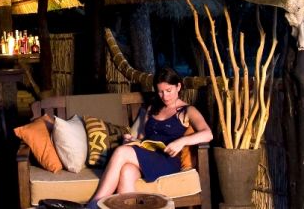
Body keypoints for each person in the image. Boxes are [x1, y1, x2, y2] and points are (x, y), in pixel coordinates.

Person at [86, 67, 213, 208]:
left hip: (167, 159)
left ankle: (94, 204)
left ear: (178, 86)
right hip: (147, 155)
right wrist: (131, 141)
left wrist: (182, 141)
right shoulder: (153, 108)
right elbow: (142, 138)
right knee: (126, 171)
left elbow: (208, 134)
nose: (165, 96)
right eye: (160, 92)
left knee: (121, 152)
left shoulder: (188, 110)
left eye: (168, 91)